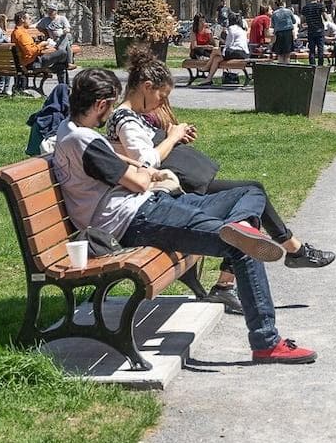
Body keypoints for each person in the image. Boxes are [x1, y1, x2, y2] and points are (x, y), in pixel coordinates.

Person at [51, 67, 317, 364]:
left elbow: (120, 164)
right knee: (241, 246)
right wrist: (144, 172)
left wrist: (138, 169)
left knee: (250, 192)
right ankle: (267, 342)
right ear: (101, 105)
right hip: (135, 219)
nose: (110, 112)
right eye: (110, 105)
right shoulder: (86, 142)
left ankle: (240, 225)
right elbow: (139, 181)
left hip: (152, 206)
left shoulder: (68, 131)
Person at [109, 51, 336, 280]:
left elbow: (148, 149)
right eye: (161, 95)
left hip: (176, 185)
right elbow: (146, 160)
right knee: (249, 199)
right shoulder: (125, 119)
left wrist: (173, 134)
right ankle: (291, 253)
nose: (162, 102)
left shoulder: (134, 117)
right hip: (167, 194)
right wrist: (173, 137)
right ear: (147, 87)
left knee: (249, 201)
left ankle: (240, 277)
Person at [301, 0, 327, 67]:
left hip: (311, 31)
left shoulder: (305, 7)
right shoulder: (320, 6)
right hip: (319, 30)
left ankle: (312, 66)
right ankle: (320, 66)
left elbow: (302, 19)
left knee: (311, 50)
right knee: (320, 50)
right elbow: (325, 17)